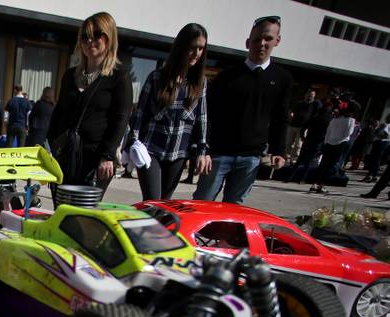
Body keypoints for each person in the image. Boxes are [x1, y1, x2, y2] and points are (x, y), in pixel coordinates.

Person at [193, 16, 291, 203]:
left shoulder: (281, 78)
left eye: (268, 39)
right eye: (256, 40)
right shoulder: (228, 76)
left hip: (251, 157)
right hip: (219, 154)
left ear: (277, 41)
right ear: (248, 42)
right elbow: (208, 114)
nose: (262, 44)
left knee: (234, 207)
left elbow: (281, 117)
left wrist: (279, 150)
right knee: (202, 201)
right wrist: (203, 149)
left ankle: (223, 234)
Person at [47, 12, 133, 195]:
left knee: (82, 216)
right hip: (65, 156)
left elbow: (120, 119)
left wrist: (108, 156)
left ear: (109, 38)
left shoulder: (119, 76)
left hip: (96, 160)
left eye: (97, 36)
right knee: (61, 213)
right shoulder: (70, 76)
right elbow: (59, 113)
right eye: (85, 37)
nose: (89, 41)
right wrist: (49, 147)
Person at [129, 23, 211, 200]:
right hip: (151, 150)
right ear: (181, 47)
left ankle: (157, 228)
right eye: (192, 48)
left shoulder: (200, 83)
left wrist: (201, 151)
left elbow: (201, 120)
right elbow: (140, 115)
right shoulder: (157, 77)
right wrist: (132, 144)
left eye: (201, 48)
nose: (196, 53)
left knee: (165, 205)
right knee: (152, 202)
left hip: (178, 153)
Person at [308, 105, 355, 194]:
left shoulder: (334, 119)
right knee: (330, 165)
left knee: (323, 164)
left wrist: (326, 142)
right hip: (340, 143)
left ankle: (314, 184)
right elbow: (348, 133)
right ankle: (322, 185)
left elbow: (328, 132)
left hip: (329, 143)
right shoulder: (350, 120)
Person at [287, 90, 319, 162]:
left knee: (298, 145)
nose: (310, 96)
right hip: (293, 125)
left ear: (314, 96)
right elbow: (291, 111)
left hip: (303, 128)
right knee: (288, 142)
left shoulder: (314, 105)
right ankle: (285, 157)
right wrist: (290, 116)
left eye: (312, 95)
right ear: (305, 95)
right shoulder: (299, 103)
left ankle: (293, 159)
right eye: (309, 94)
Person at [363, 115, 390, 183]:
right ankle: (371, 175)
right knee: (376, 160)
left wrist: (376, 133)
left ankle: (372, 176)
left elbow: (385, 135)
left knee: (375, 160)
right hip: (385, 143)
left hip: (380, 142)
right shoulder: (386, 125)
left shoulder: (385, 125)